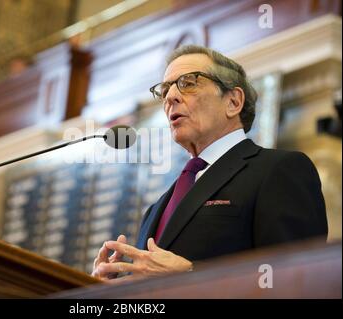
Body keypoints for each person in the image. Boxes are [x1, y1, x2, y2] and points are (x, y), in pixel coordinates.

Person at [91, 45, 328, 282]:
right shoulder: (156, 209)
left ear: (233, 102)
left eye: (188, 83)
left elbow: (300, 279)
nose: (171, 97)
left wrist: (190, 275)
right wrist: (111, 291)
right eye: (165, 90)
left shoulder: (278, 170)